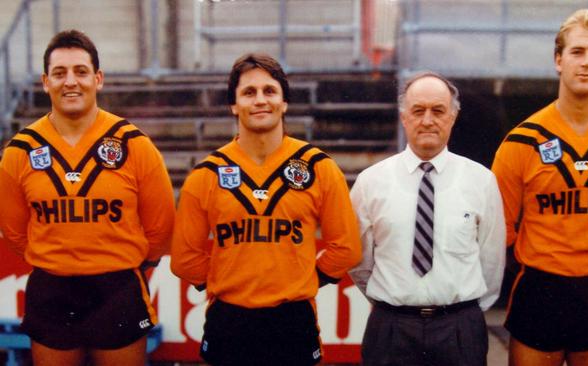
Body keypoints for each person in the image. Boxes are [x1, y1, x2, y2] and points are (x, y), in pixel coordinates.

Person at [170, 52, 362, 366]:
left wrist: (301, 279)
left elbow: (347, 248)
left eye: (269, 91)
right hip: (228, 319)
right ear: (233, 105)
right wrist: (233, 278)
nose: (260, 100)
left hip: (292, 319)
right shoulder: (206, 173)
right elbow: (183, 258)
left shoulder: (319, 167)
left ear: (284, 102)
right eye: (249, 92)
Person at [0, 30, 175, 366]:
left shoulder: (134, 144)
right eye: (60, 73)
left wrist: (119, 264)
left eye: (80, 71)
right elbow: (14, 232)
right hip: (51, 289)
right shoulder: (20, 151)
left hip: (117, 288)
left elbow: (162, 226)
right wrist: (61, 259)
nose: (71, 82)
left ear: (98, 79)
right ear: (45, 82)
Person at [492, 9, 588, 366]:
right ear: (558, 60)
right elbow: (499, 231)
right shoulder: (521, 141)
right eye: (577, 52)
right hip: (538, 292)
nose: (586, 62)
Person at [349, 71, 506, 366]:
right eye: (418, 111)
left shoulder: (481, 181)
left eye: (438, 111)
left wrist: (460, 311)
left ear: (453, 117)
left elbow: (491, 262)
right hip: (392, 328)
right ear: (403, 117)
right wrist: (395, 301)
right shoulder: (370, 182)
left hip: (459, 329)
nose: (428, 120)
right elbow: (360, 262)